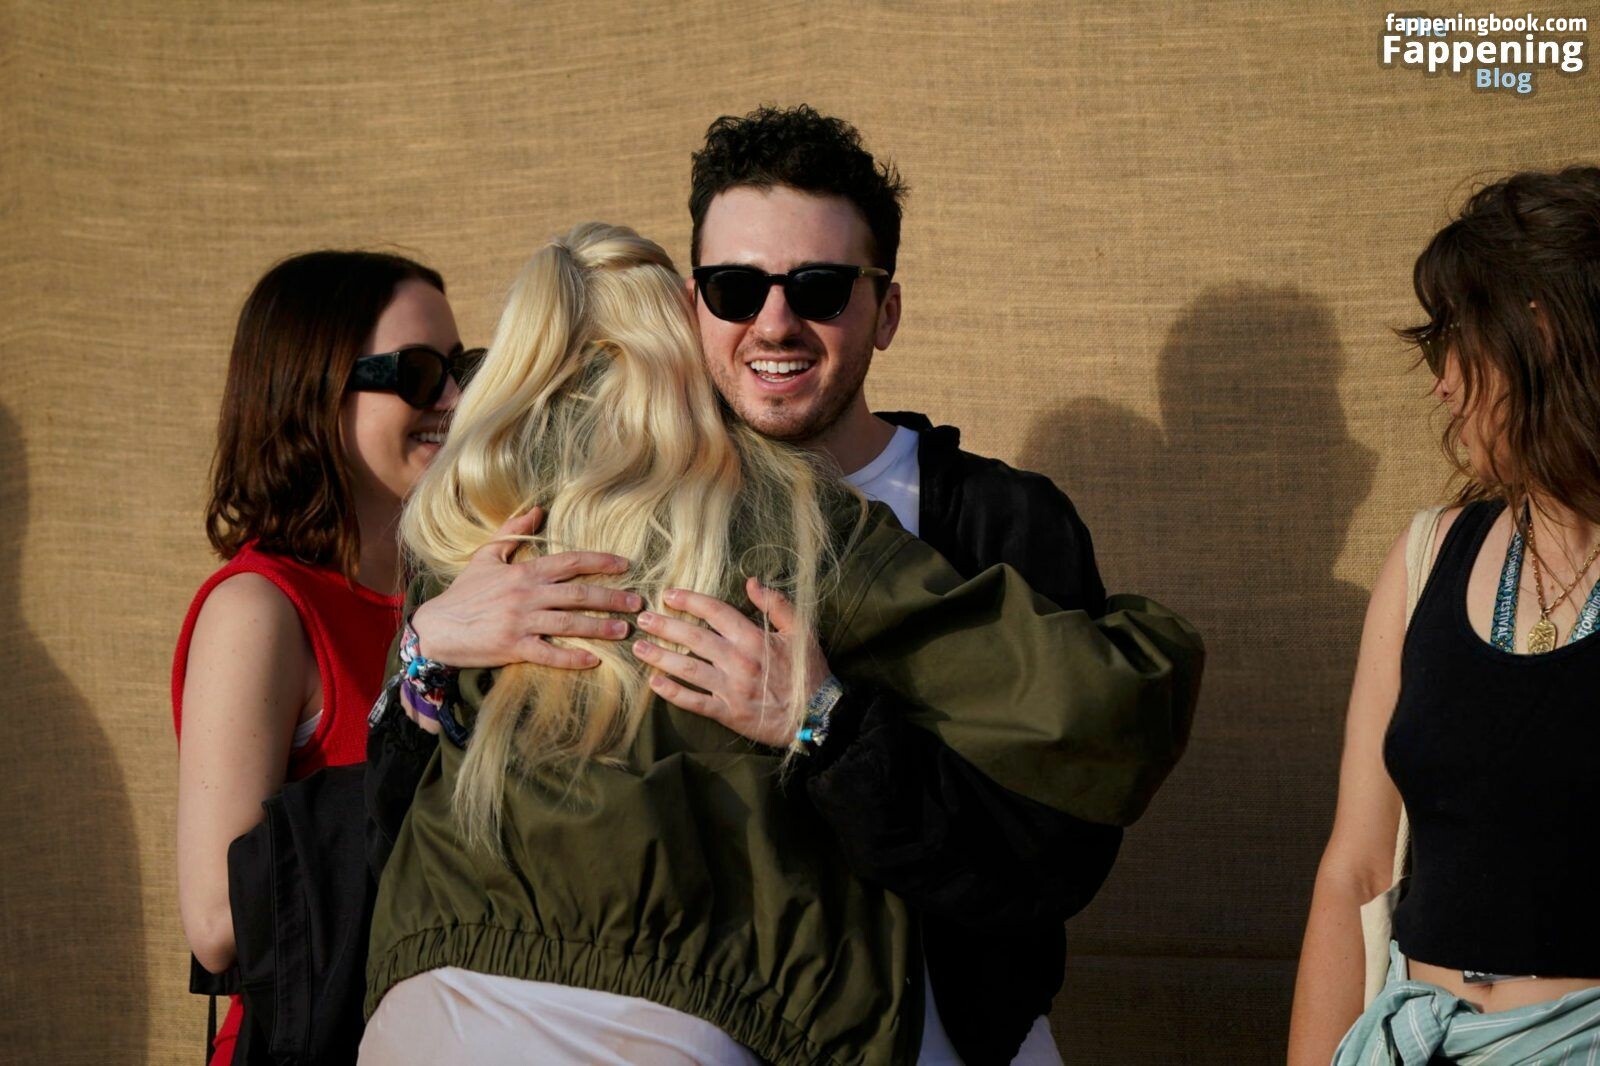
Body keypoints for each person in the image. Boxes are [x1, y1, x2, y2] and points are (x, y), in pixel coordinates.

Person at [382, 104, 1148, 1065]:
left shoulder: (998, 523)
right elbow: (410, 821)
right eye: (736, 287)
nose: (775, 322)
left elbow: (1053, 857)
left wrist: (824, 727)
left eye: (820, 288)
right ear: (691, 305)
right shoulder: (576, 507)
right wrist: (423, 654)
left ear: (886, 311)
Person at [1288, 166, 1600, 1064]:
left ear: (1541, 333)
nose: (1442, 385)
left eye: (1456, 341)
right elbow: (1355, 869)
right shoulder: (1429, 554)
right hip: (1406, 1041)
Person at [172, 250, 497, 1065]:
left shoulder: (465, 584)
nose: (455, 401)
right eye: (418, 374)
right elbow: (217, 920)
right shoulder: (260, 610)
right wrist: (420, 677)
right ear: (315, 393)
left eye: (461, 367)